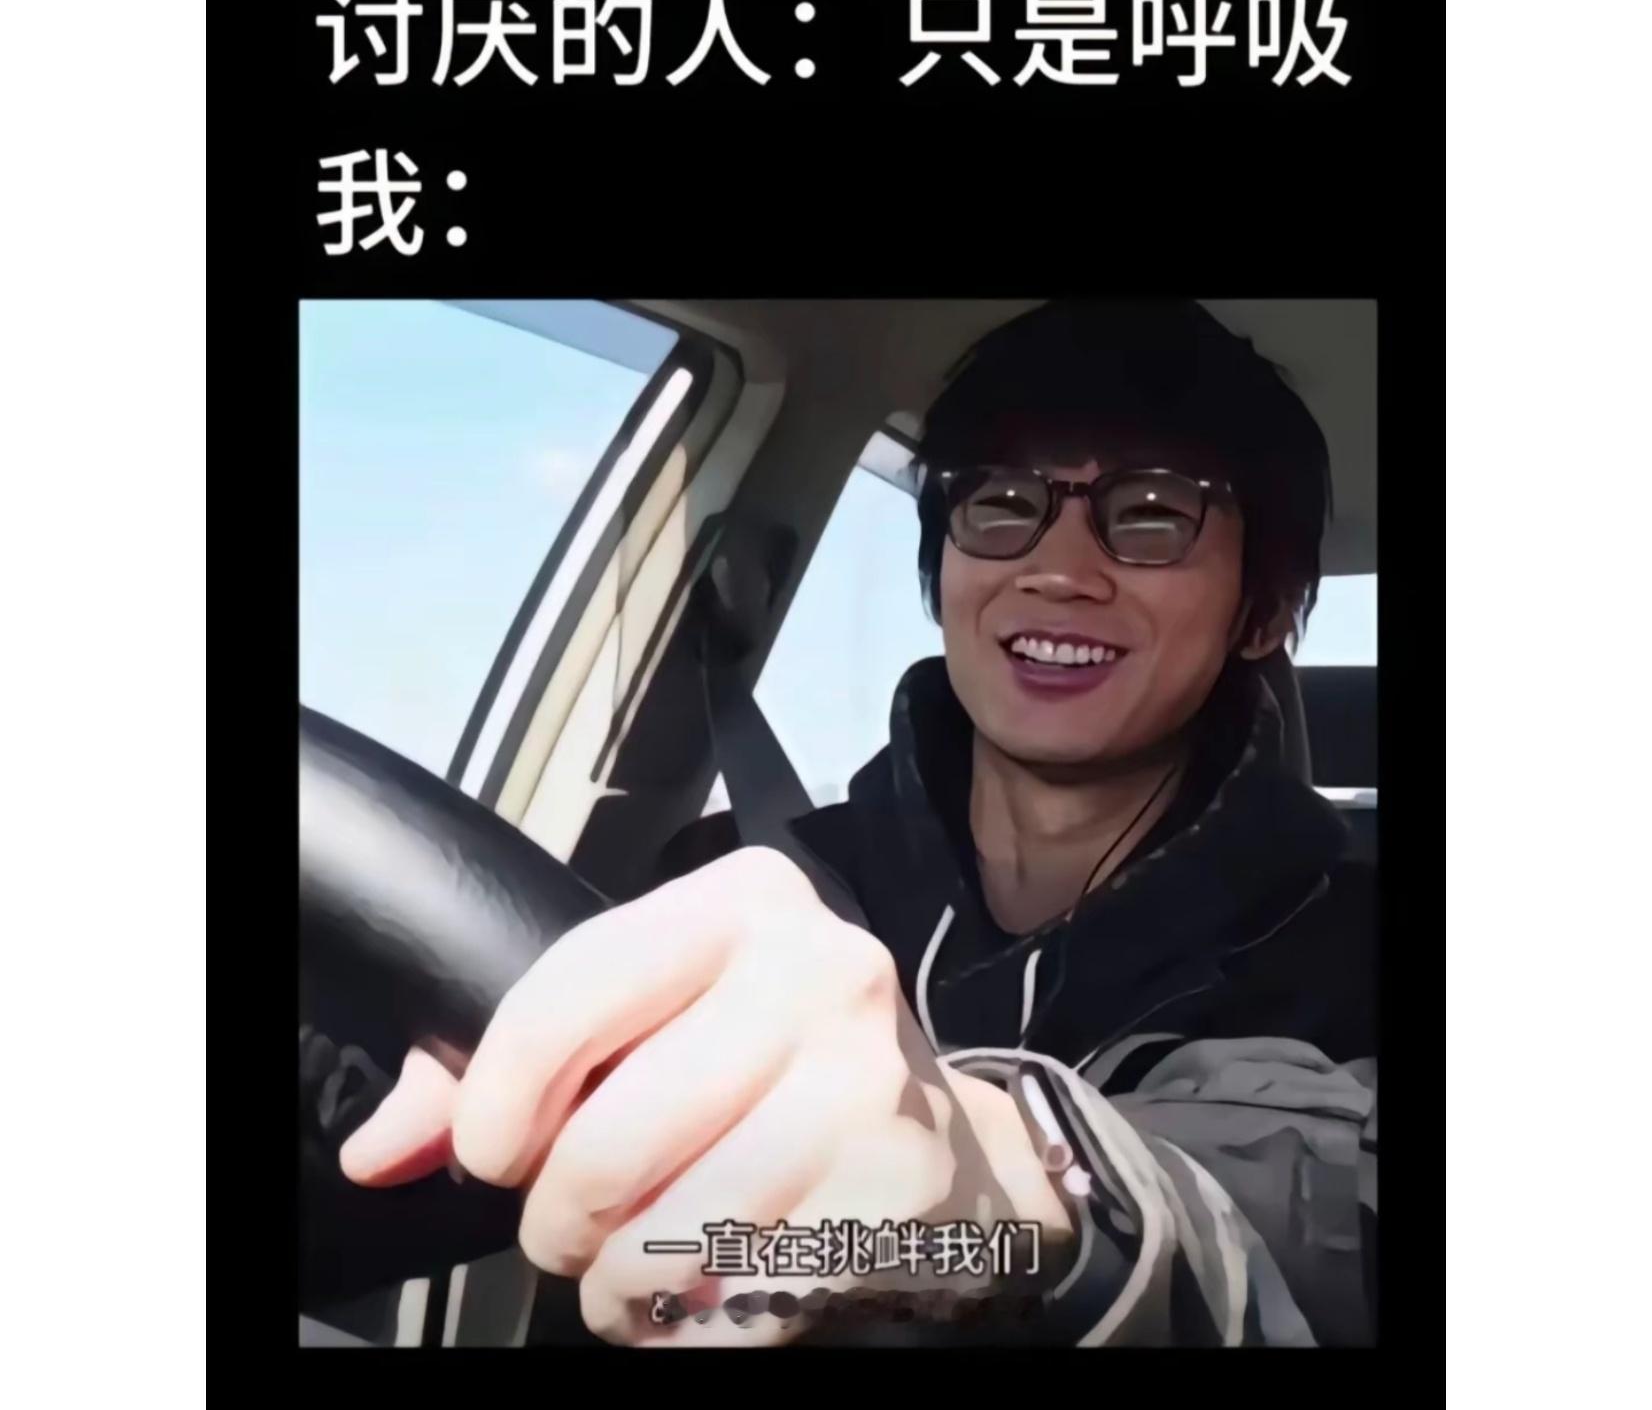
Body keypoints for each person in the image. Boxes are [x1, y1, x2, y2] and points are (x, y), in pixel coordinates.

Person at [338, 300, 1378, 1347]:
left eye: (1152, 516)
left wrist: (1016, 1182)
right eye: (1002, 502)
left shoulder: (1351, 948)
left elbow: (1330, 1209)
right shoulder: (730, 886)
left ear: (1260, 611)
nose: (1058, 569)